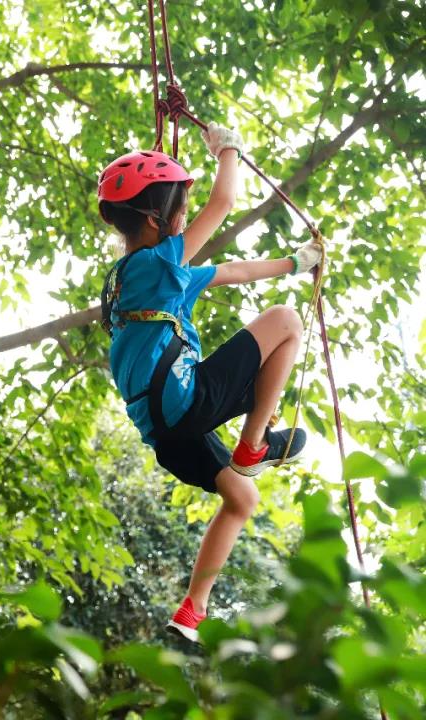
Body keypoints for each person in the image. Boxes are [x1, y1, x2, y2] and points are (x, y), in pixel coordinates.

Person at [97, 122, 323, 641]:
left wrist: (296, 261)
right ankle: (253, 444)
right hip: (184, 403)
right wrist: (227, 149)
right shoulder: (157, 264)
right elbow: (222, 203)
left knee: (242, 501)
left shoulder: (142, 278)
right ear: (156, 221)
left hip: (166, 433)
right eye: (179, 210)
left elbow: (237, 270)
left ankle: (192, 611)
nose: (185, 219)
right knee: (286, 322)